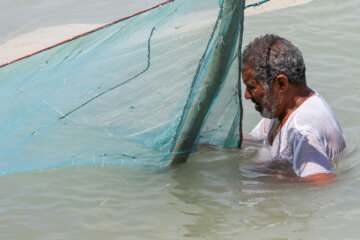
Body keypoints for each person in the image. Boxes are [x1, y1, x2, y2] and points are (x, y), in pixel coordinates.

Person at [241, 34, 346, 184]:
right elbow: (256, 140)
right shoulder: (280, 107)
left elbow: (323, 182)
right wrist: (208, 142)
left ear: (282, 84)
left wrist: (272, 178)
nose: (246, 95)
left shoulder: (301, 129)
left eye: (251, 86)